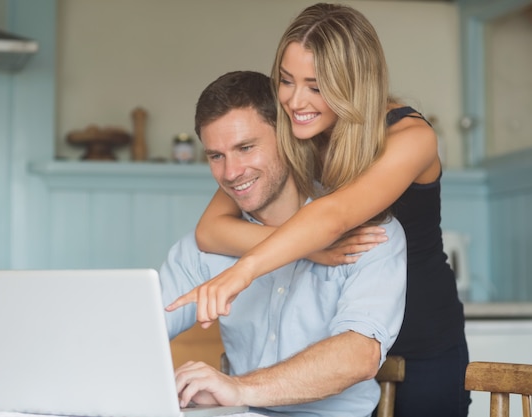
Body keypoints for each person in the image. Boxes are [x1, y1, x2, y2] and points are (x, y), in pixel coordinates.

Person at [167, 3, 471, 417]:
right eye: (287, 81)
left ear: (353, 84)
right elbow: (211, 230)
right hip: (343, 315)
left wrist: (242, 272)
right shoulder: (300, 132)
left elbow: (333, 219)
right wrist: (309, 250)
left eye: (316, 85)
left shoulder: (410, 137)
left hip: (419, 331)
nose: (294, 100)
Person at [161, 70, 407, 417]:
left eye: (246, 148)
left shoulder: (371, 235)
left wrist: (239, 388)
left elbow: (358, 356)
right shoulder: (204, 248)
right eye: (216, 156)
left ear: (288, 138)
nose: (231, 173)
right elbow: (140, 324)